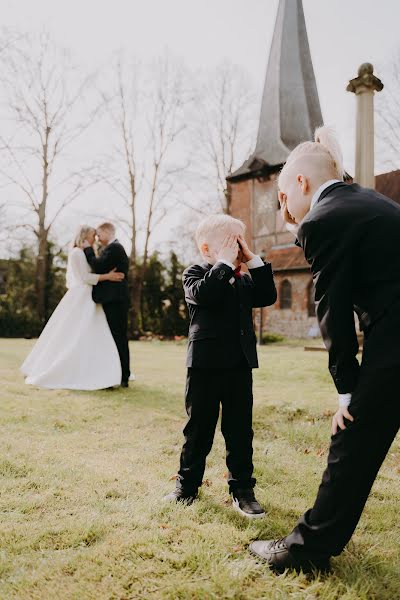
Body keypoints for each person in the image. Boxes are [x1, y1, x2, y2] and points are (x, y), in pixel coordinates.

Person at [249, 126, 400, 572]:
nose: (283, 209)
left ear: (301, 183)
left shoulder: (322, 219)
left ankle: (305, 552)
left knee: (352, 439)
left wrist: (347, 392)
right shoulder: (371, 201)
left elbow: (330, 308)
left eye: (282, 195)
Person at [164, 214, 277, 517]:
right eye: (231, 244)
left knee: (240, 429)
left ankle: (243, 490)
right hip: (205, 366)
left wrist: (252, 260)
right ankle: (186, 487)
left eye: (241, 243)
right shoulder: (195, 274)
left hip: (239, 365)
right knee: (198, 428)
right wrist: (223, 264)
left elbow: (268, 295)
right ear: (206, 249)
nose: (237, 250)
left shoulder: (244, 279)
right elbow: (207, 296)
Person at [21, 226, 124, 390]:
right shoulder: (77, 253)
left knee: (94, 334)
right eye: (92, 236)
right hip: (81, 296)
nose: (94, 239)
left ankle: (101, 371)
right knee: (73, 333)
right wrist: (108, 276)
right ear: (84, 237)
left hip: (90, 297)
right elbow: (85, 277)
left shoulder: (85, 253)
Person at [83, 223, 131, 388]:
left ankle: (123, 376)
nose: (97, 238)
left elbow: (98, 266)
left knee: (118, 337)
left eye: (98, 234)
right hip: (112, 300)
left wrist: (88, 249)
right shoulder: (112, 248)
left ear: (106, 231)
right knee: (114, 337)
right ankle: (117, 374)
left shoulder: (115, 248)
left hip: (115, 301)